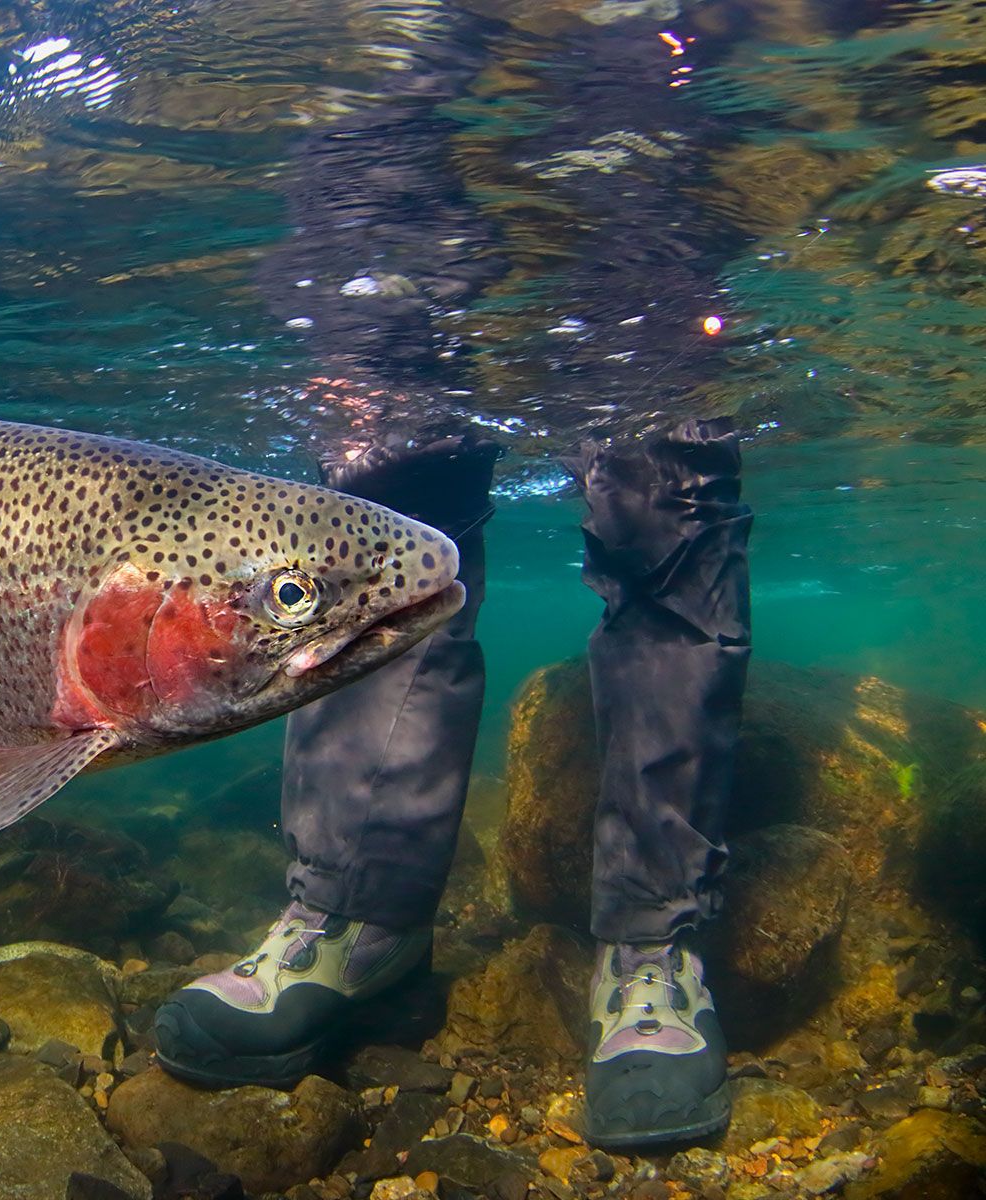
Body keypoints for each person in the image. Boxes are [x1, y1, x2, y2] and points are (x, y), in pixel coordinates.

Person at [153, 5, 756, 1149]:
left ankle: (651, 953)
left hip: (640, 62)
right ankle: (349, 920)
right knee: (385, 507)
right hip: (389, 73)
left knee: (663, 493)